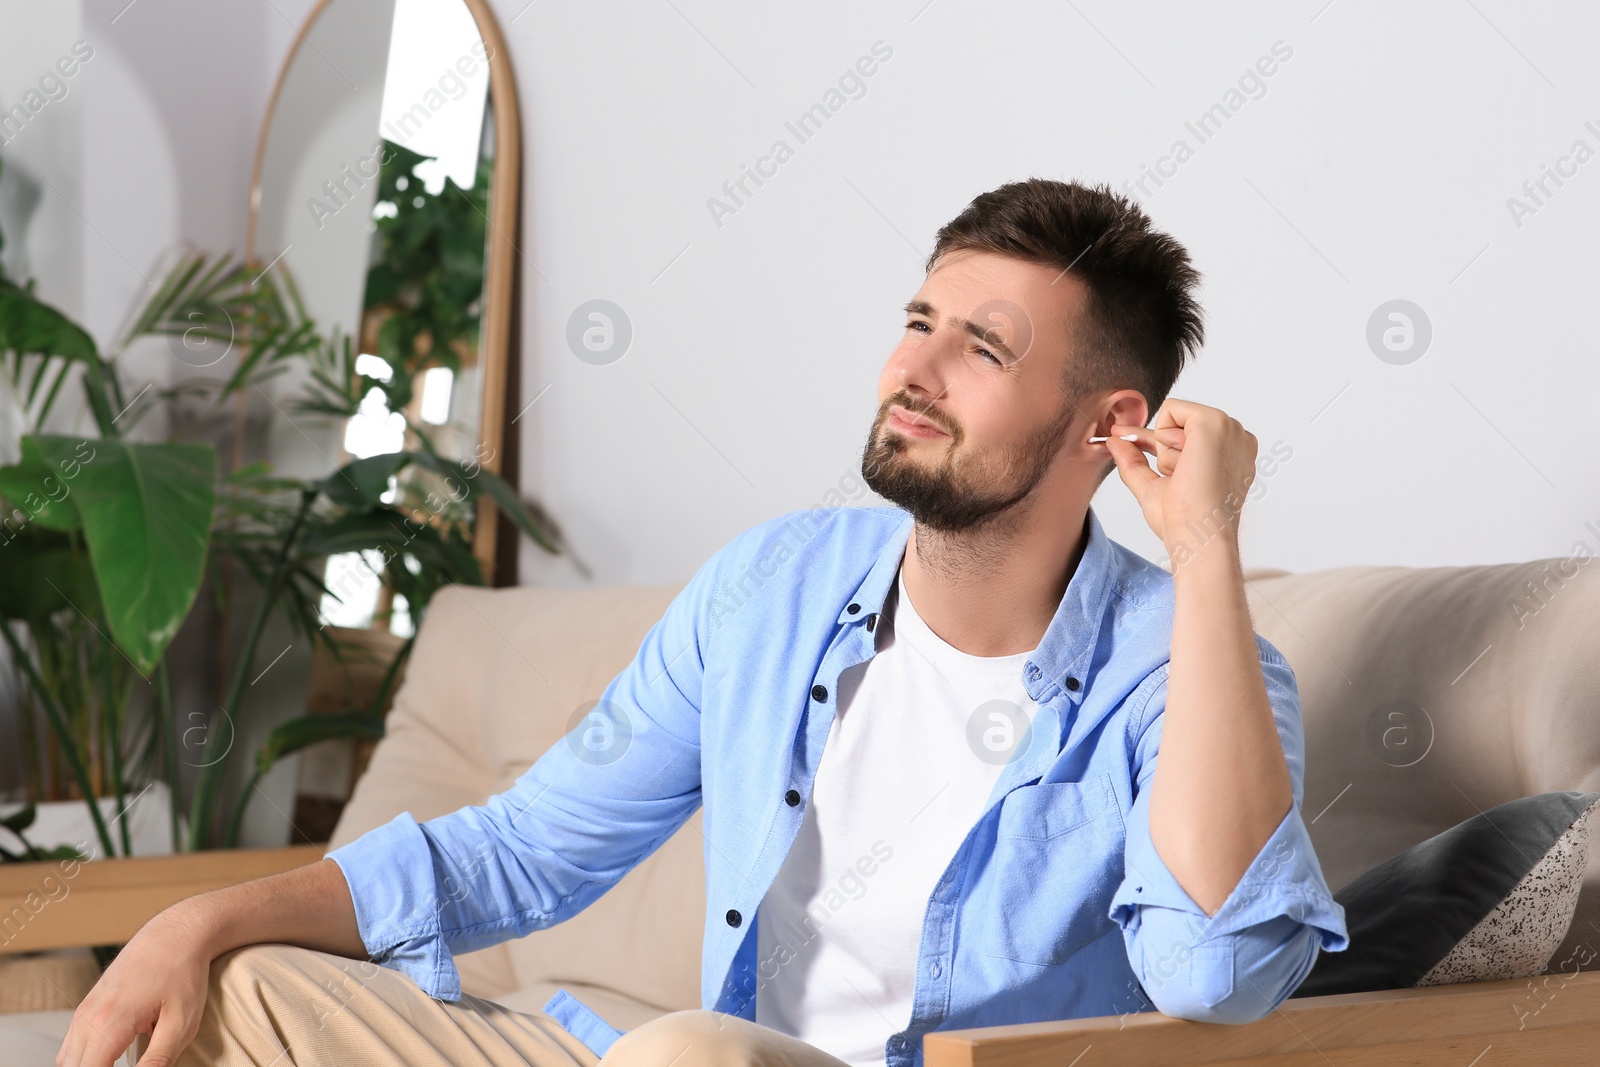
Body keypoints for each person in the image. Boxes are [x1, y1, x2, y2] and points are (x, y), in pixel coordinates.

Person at [57, 178, 1348, 1067]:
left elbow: (1214, 976)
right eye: (918, 323)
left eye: (984, 350)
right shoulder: (773, 587)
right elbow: (525, 850)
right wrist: (200, 921)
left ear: (1106, 429)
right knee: (246, 989)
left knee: (681, 1050)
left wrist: (1206, 548)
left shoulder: (1187, 668)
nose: (913, 369)